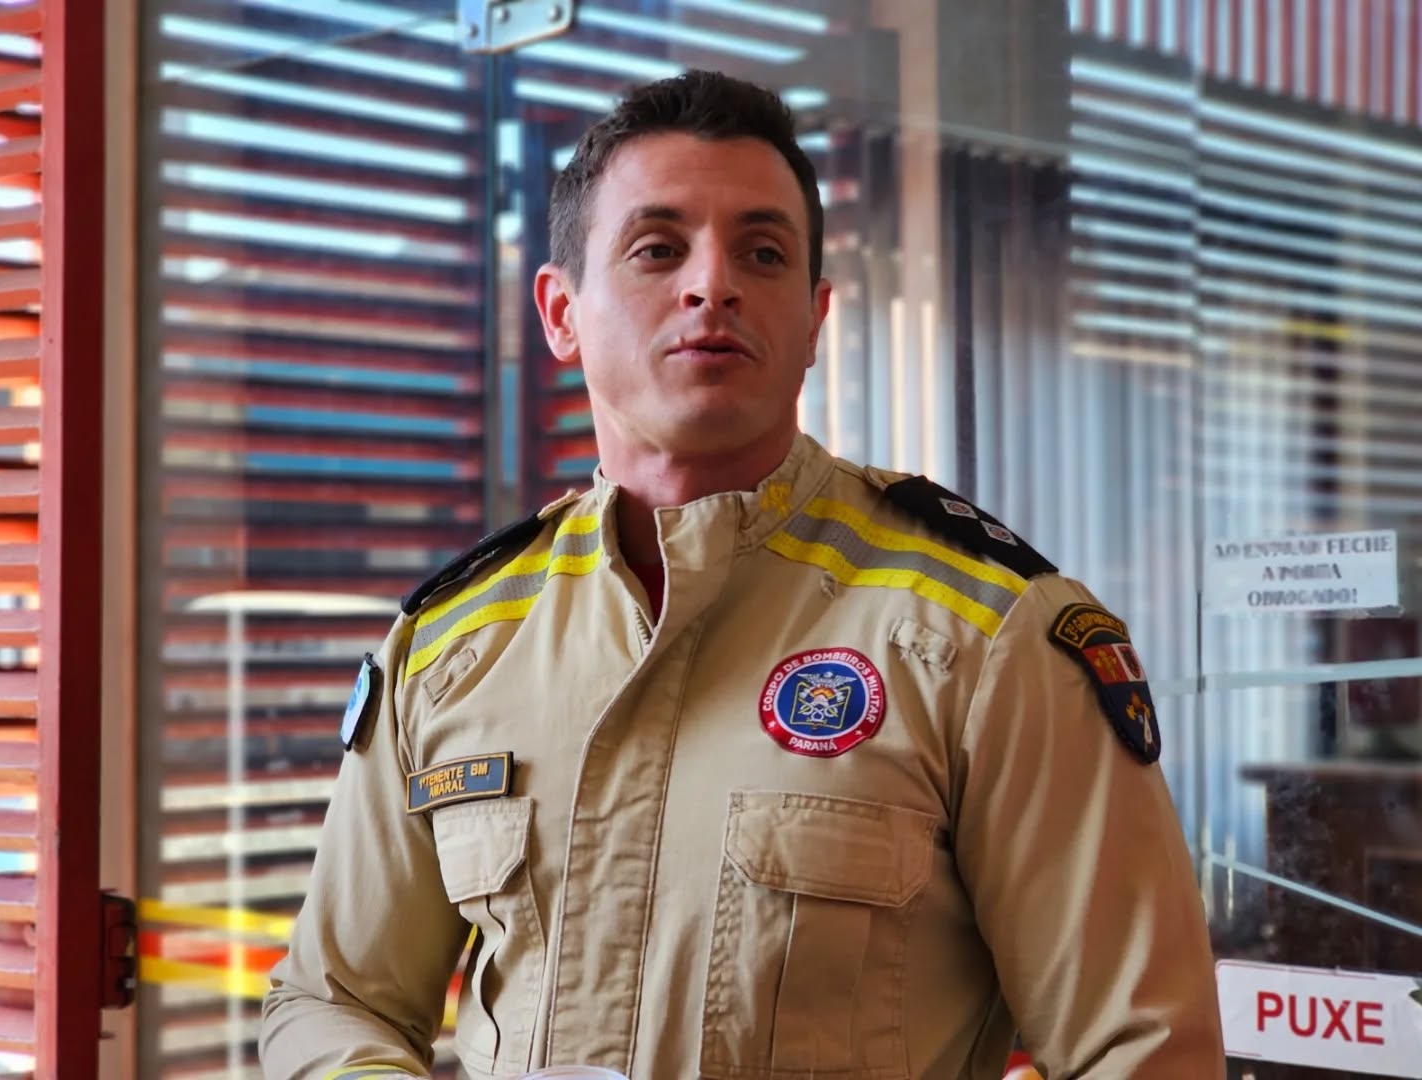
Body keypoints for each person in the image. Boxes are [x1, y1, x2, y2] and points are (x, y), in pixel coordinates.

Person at [260, 70, 1225, 1079]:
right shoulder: (453, 646)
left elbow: (1144, 1051)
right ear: (561, 312)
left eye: (763, 254)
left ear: (813, 320)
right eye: (657, 248)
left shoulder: (984, 636)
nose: (711, 285)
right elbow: (332, 1002)